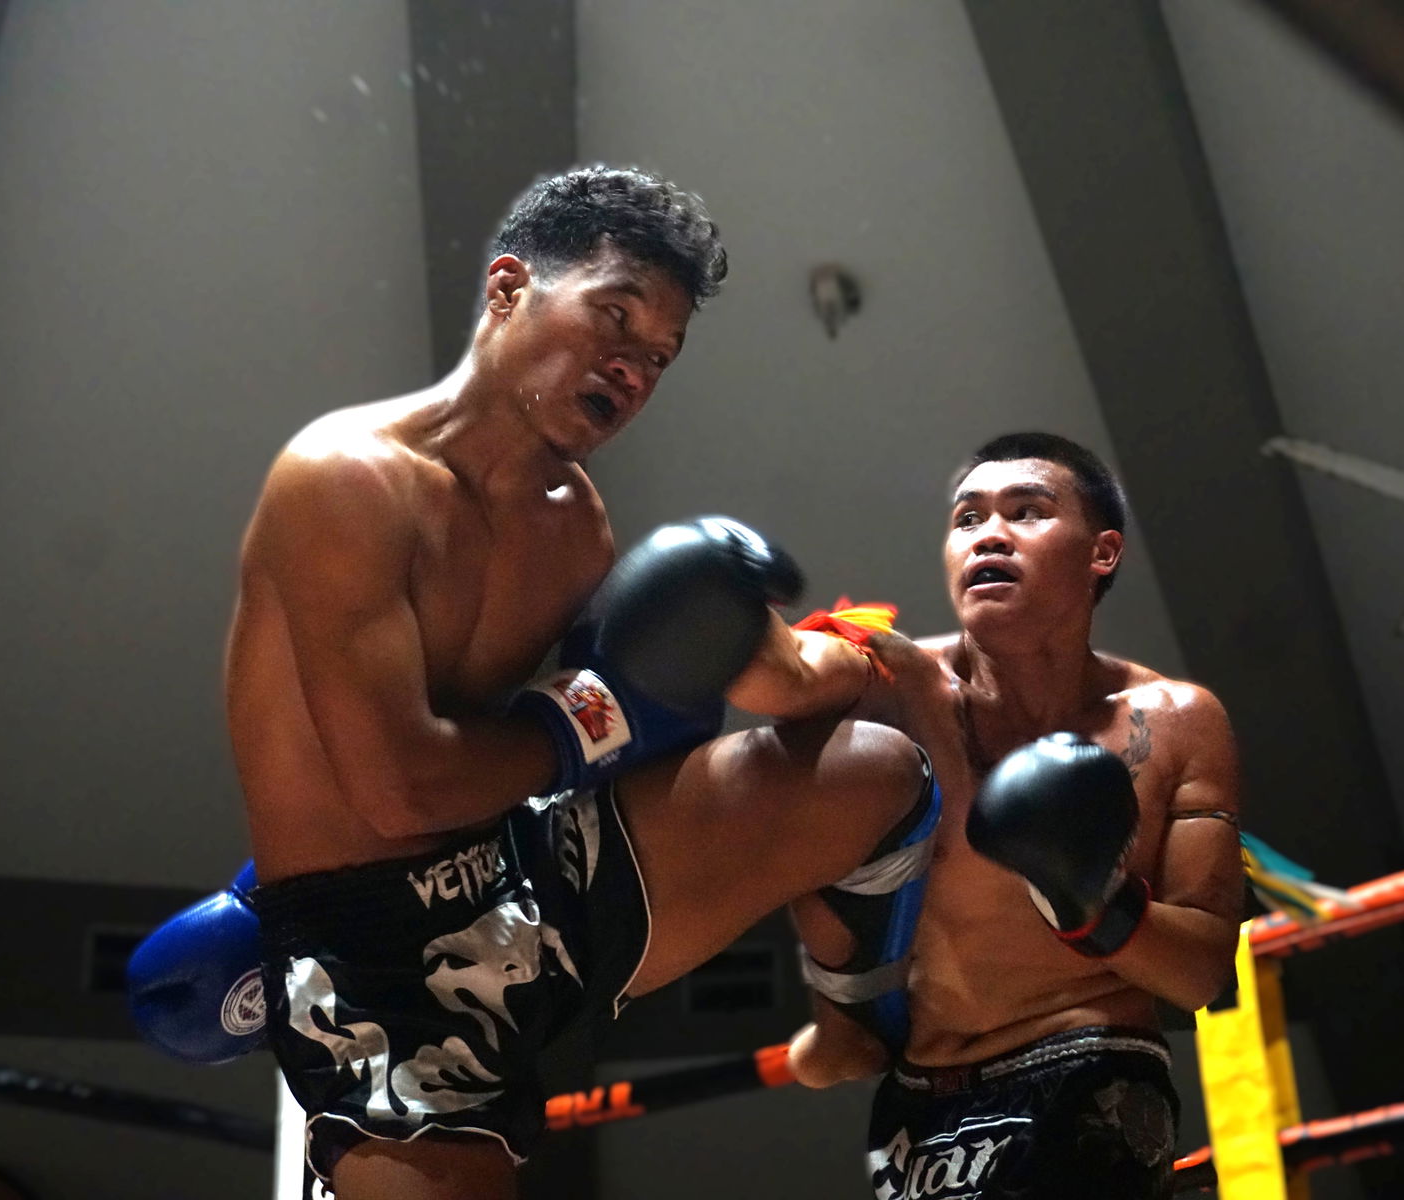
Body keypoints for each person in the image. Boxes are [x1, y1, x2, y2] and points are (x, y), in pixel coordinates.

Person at [133, 165, 940, 1200]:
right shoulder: (344, 479)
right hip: (367, 953)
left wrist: (833, 656)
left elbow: (741, 682)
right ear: (510, 288)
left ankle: (853, 1027)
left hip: (521, 867)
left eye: (657, 356)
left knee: (873, 771)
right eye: (613, 318)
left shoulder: (575, 524)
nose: (631, 368)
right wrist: (608, 711)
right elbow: (401, 789)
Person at [728, 432, 1244, 1199]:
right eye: (968, 519)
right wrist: (726, 614)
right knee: (819, 758)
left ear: (1101, 553)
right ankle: (842, 1019)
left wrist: (1091, 906)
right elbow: (781, 683)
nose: (990, 534)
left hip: (1086, 1067)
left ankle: (839, 1029)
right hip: (918, 1105)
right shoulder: (891, 678)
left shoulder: (1175, 721)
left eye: (1027, 511)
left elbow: (1202, 972)